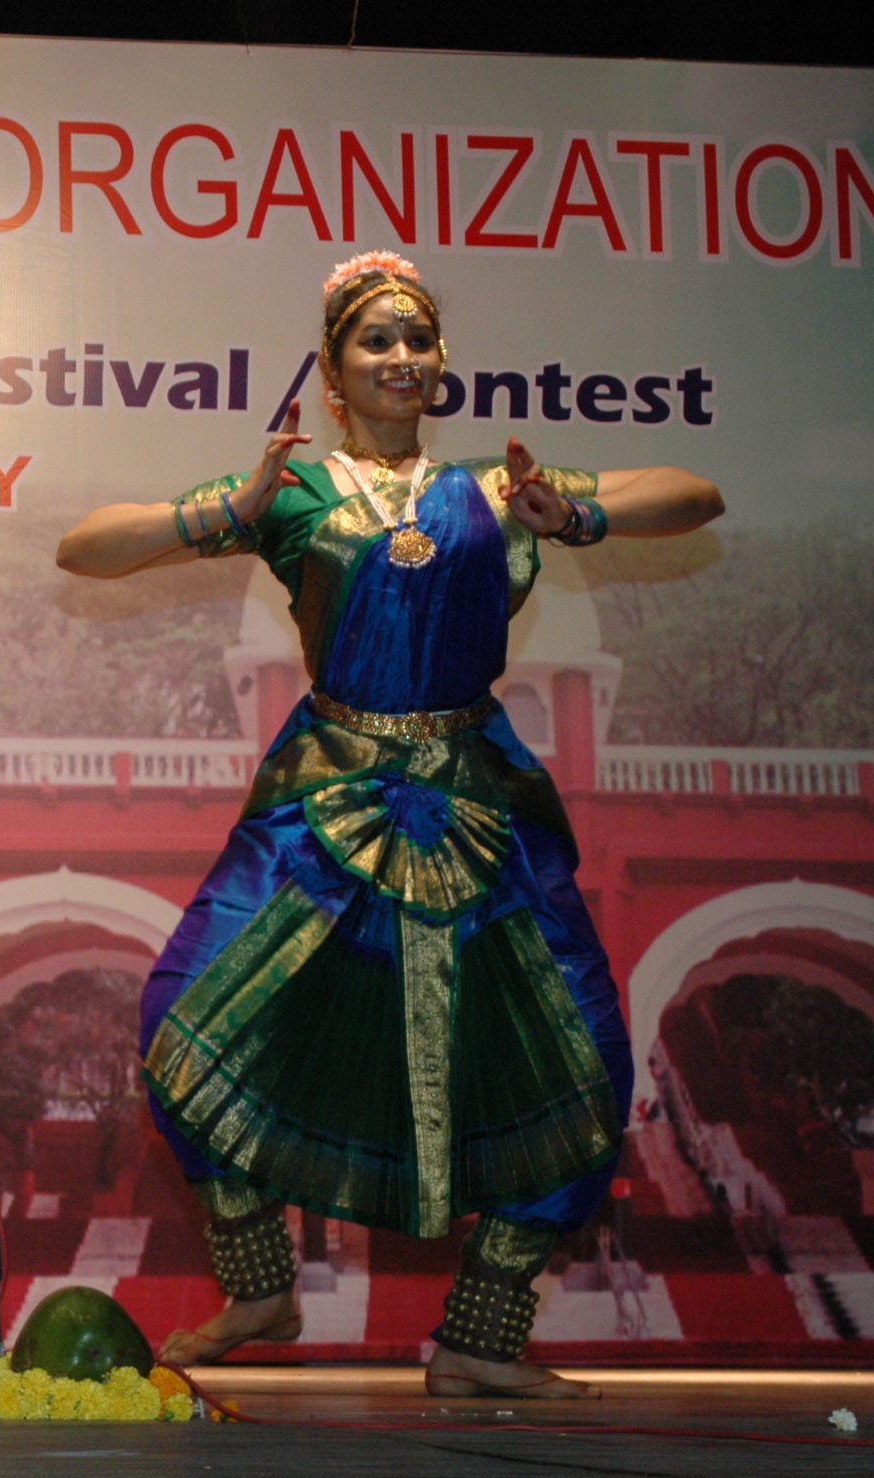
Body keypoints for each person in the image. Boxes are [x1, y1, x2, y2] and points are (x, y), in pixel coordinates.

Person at [55, 252, 723, 1399]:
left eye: (417, 338)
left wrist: (574, 513)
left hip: (480, 801)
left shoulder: (491, 490)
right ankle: (258, 1285)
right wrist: (228, 510)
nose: (401, 356)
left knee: (588, 1064)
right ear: (332, 374)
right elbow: (85, 545)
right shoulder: (293, 495)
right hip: (319, 799)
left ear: (439, 362)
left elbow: (693, 493)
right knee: (177, 1018)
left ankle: (479, 1337)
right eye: (375, 340)